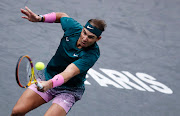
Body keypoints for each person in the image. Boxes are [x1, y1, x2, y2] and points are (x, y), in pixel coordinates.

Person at [11, 6, 106, 116]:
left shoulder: (92, 55)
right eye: (84, 32)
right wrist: (40, 18)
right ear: (83, 28)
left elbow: (68, 73)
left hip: (69, 90)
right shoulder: (73, 28)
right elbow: (61, 16)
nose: (85, 38)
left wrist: (49, 84)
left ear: (97, 39)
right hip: (47, 77)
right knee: (17, 112)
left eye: (91, 37)